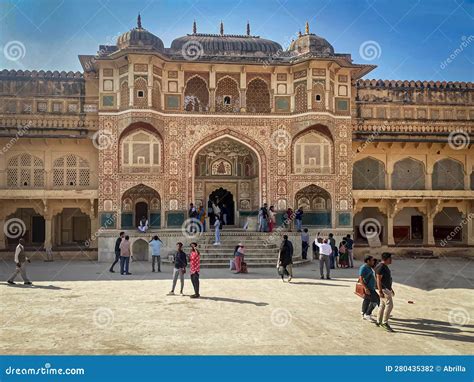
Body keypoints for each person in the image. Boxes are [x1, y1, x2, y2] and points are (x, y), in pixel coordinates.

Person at [375, 253, 395, 332]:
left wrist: (391, 288)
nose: (391, 260)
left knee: (382, 305)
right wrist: (380, 291)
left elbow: (386, 279)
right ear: (387, 259)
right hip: (383, 289)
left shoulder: (383, 266)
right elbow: (378, 280)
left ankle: (378, 321)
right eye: (390, 258)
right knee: (389, 305)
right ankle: (384, 322)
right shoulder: (381, 267)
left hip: (386, 288)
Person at [358, 255, 380, 323]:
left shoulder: (369, 267)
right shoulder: (364, 267)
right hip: (368, 287)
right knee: (376, 300)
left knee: (367, 299)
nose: (373, 261)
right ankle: (367, 314)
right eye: (372, 260)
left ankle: (364, 311)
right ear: (368, 261)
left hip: (371, 287)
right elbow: (360, 279)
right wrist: (366, 288)